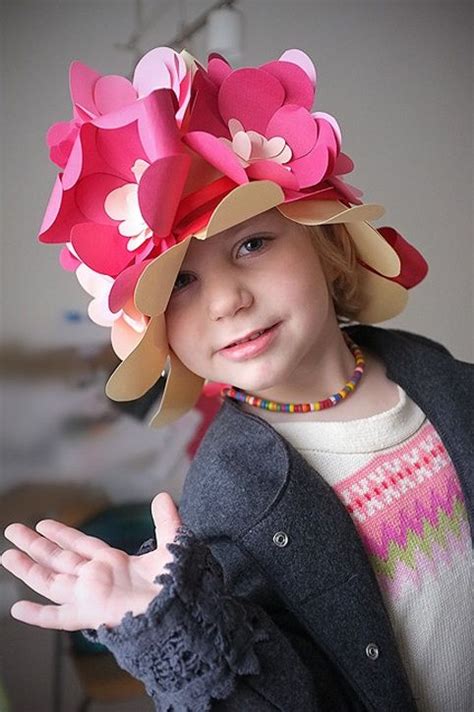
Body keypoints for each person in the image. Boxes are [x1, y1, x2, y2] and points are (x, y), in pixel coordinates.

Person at [1, 47, 472, 712]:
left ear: (326, 244)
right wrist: (174, 624)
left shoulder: (432, 372)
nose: (226, 302)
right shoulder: (225, 503)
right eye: (183, 284)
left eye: (252, 244)